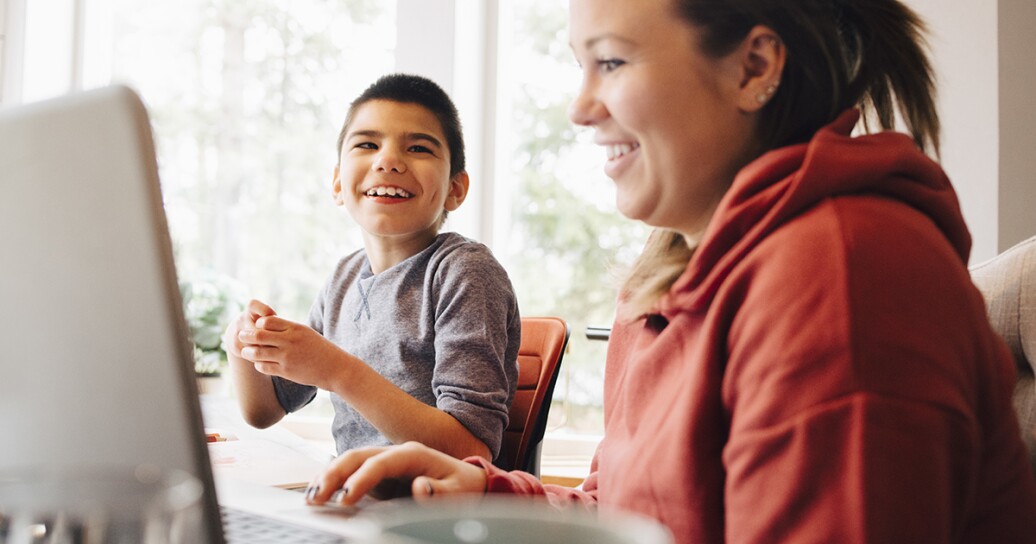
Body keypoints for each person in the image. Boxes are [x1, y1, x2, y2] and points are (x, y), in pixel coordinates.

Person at [306, 1, 1036, 542]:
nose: (579, 108)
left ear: (755, 68)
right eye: (579, 65)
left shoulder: (842, 272)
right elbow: (632, 514)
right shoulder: (663, 279)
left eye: (613, 62)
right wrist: (480, 490)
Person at [223, 73, 521, 465]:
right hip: (353, 497)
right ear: (336, 182)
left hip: (426, 514)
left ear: (455, 188)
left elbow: (470, 451)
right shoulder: (343, 279)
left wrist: (337, 370)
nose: (388, 161)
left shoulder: (464, 272)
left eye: (418, 148)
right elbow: (264, 412)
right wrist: (242, 344)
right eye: (367, 144)